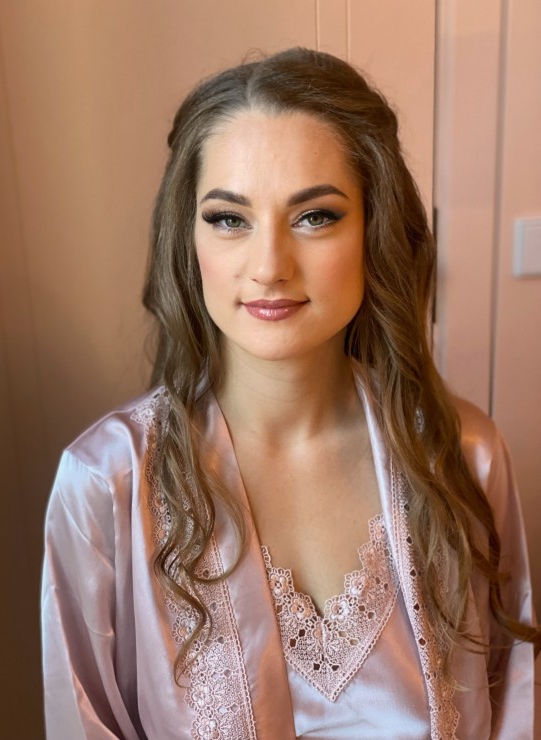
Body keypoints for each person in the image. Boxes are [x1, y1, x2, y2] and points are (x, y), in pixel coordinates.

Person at [41, 48, 538, 739]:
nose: (269, 266)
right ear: (188, 240)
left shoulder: (462, 454)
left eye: (315, 216)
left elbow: (513, 703)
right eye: (228, 218)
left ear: (373, 229)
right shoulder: (106, 483)